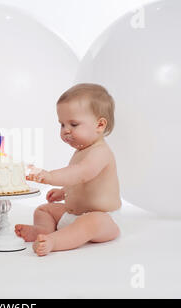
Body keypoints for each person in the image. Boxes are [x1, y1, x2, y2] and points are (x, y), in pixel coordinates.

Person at [15, 83, 122, 256]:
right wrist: (64, 192)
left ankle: (54, 241)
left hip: (104, 220)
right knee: (44, 210)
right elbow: (80, 183)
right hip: (73, 215)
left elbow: (81, 173)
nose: (66, 131)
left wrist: (49, 176)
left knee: (90, 221)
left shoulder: (100, 152)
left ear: (100, 125)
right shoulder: (81, 151)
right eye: (62, 124)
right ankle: (43, 230)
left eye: (73, 124)